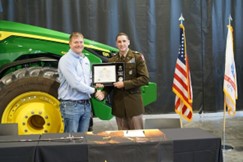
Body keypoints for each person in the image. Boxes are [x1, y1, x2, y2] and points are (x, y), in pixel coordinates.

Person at [96, 32, 149, 130]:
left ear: (128, 42)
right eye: (119, 42)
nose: (122, 44)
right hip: (119, 105)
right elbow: (110, 84)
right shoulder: (112, 60)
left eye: (124, 41)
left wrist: (124, 84)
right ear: (116, 44)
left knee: (138, 137)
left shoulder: (137, 57)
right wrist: (103, 93)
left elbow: (144, 78)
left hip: (133, 105)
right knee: (123, 138)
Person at [58, 32, 101, 133]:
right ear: (70, 44)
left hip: (86, 105)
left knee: (83, 138)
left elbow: (88, 79)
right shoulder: (66, 60)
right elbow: (75, 84)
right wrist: (94, 91)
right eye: (76, 42)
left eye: (81, 42)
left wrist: (95, 83)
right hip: (71, 105)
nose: (79, 44)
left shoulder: (85, 59)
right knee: (71, 140)